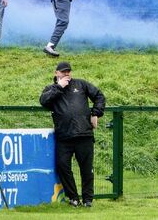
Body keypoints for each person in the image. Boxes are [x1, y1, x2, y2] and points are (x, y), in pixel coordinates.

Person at [40, 61, 105, 208]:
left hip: (84, 134)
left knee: (86, 169)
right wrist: (59, 87)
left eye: (68, 71)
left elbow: (99, 96)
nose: (67, 74)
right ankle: (73, 198)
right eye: (63, 72)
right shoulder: (51, 89)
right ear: (56, 73)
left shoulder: (81, 84)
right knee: (63, 167)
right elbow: (43, 101)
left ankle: (88, 200)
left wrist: (96, 113)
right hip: (64, 136)